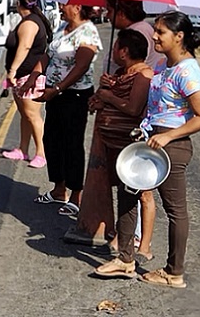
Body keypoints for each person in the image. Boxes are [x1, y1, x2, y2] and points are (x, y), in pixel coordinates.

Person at [94, 11, 200, 288]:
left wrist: (169, 136)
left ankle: (174, 272)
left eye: (160, 32)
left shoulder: (188, 71)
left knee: (175, 210)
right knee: (127, 194)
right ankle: (125, 260)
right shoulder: (162, 64)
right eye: (155, 30)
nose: (155, 37)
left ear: (179, 36)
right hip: (148, 142)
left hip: (171, 147)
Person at [64, 30, 155, 260]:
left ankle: (143, 245)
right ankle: (122, 236)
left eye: (116, 47)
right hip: (112, 143)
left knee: (142, 194)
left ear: (124, 52)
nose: (113, 51)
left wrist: (108, 96)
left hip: (131, 144)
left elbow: (133, 108)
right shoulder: (122, 73)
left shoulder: (143, 75)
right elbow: (103, 99)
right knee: (123, 193)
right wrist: (100, 97)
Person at [32, 3, 102, 217]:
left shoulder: (88, 32)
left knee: (72, 143)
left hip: (75, 95)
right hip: (55, 94)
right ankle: (58, 188)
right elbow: (48, 54)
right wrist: (34, 76)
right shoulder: (64, 25)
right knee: (52, 140)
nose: (60, 7)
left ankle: (76, 194)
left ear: (78, 7)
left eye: (65, 4)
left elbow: (81, 66)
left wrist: (58, 88)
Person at [1, 0, 52, 168]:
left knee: (32, 115)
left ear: (19, 4)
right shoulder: (28, 20)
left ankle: (41, 153)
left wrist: (13, 70)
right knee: (25, 115)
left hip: (29, 76)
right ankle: (23, 149)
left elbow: (25, 47)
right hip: (23, 76)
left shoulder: (30, 23)